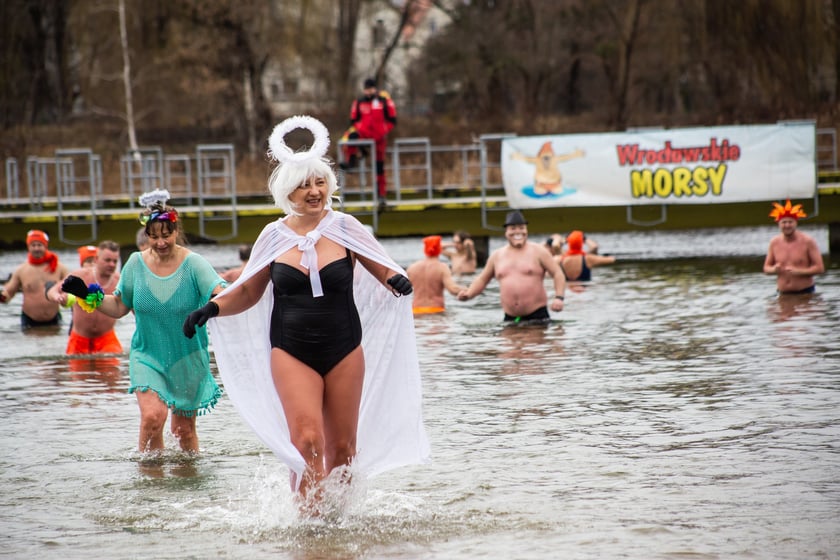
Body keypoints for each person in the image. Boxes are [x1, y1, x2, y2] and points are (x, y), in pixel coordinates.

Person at [183, 115, 428, 507]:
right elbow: (247, 291)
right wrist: (210, 309)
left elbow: (385, 269)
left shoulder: (346, 228)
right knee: (308, 443)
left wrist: (397, 282)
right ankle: (308, 526)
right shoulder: (273, 235)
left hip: (345, 347)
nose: (314, 191)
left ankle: (340, 523)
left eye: (320, 183)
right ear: (287, 192)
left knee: (344, 447)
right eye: (304, 185)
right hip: (291, 349)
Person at [61, 189, 226, 454]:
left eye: (166, 235)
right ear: (146, 235)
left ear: (176, 230)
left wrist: (214, 303)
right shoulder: (136, 263)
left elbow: (221, 292)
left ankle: (190, 488)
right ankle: (150, 487)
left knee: (184, 431)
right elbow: (119, 306)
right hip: (148, 355)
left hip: (187, 356)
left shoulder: (194, 264)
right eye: (153, 236)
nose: (160, 242)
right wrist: (86, 293)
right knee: (152, 417)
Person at [458, 210, 566, 322]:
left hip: (536, 315)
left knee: (534, 339)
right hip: (510, 318)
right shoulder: (497, 255)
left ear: (526, 230)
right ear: (506, 232)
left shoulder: (539, 251)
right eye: (513, 228)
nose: (518, 232)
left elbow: (558, 273)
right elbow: (482, 279)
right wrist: (469, 294)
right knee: (506, 339)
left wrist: (559, 298)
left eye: (521, 228)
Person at [47, 240, 123, 355]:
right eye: (107, 260)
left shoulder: (120, 281)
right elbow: (52, 291)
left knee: (113, 372)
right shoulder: (80, 276)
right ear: (96, 259)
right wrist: (58, 297)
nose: (112, 264)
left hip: (107, 339)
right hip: (79, 339)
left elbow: (132, 306)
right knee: (77, 372)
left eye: (115, 261)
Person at [339, 77, 397, 201]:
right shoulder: (359, 102)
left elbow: (392, 120)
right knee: (351, 137)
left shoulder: (384, 101)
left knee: (379, 166)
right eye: (366, 89)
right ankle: (351, 162)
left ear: (375, 89)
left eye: (370, 89)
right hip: (364, 134)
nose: (368, 92)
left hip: (379, 137)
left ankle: (381, 194)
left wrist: (383, 130)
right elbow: (354, 120)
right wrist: (360, 128)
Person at [0, 229, 70, 329]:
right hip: (29, 321)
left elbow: (73, 287)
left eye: (39, 245)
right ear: (28, 247)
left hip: (54, 318)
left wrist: (67, 297)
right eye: (33, 245)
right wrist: (2, 296)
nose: (36, 248)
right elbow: (9, 293)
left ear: (46, 246)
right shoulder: (21, 270)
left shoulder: (59, 268)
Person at [763, 199, 825, 294]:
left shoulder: (808, 241)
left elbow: (820, 268)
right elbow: (766, 268)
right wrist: (774, 269)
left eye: (790, 222)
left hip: (805, 292)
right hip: (783, 293)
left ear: (796, 223)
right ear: (779, 224)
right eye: (784, 222)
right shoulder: (774, 242)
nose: (787, 225)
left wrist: (800, 271)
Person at [406, 235, 467, 314]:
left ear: (425, 249)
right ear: (439, 250)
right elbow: (453, 289)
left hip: (416, 310)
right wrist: (469, 290)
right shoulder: (442, 267)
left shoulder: (412, 267)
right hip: (436, 310)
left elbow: (403, 291)